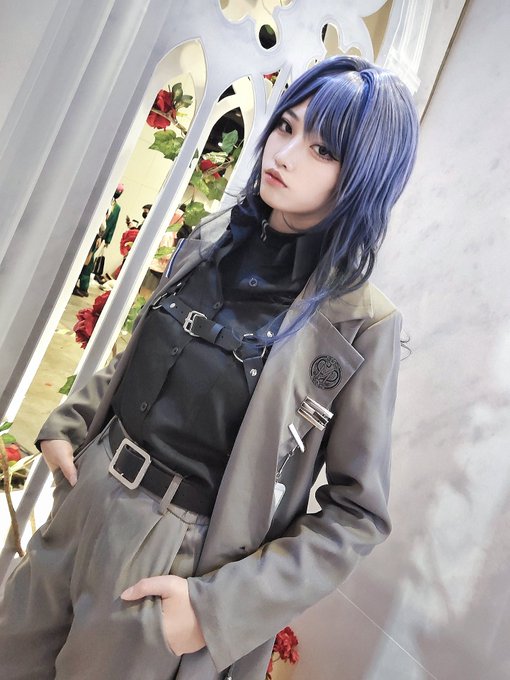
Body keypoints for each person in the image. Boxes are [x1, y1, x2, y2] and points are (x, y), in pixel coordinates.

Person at [0, 56, 419, 680]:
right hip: (88, 495)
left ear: (365, 175)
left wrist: (215, 610)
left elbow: (357, 515)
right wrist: (74, 420)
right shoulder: (214, 236)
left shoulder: (359, 323)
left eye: (322, 149)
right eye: (286, 127)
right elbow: (144, 354)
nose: (286, 154)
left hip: (170, 561)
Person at [74, 184, 124, 295]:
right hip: (94, 235)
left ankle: (82, 286)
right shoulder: (104, 201)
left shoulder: (117, 208)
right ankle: (80, 285)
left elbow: (113, 224)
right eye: (117, 190)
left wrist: (107, 239)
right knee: (86, 260)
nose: (118, 193)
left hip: (100, 237)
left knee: (88, 260)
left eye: (120, 191)